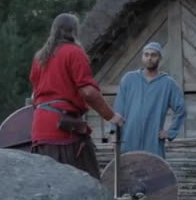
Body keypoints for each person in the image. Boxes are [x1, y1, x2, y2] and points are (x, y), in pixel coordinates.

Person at [30, 13, 124, 180]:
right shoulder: (74, 53)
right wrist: (112, 116)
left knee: (48, 187)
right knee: (88, 184)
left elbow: (34, 95)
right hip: (63, 131)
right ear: (74, 31)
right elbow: (88, 91)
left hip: (40, 131)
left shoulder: (40, 58)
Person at [112, 42, 186, 158]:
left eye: (153, 55)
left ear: (160, 58)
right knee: (128, 172)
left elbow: (181, 109)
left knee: (154, 172)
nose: (149, 58)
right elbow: (118, 109)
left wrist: (170, 132)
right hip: (129, 138)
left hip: (153, 141)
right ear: (142, 57)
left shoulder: (168, 83)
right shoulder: (129, 79)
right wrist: (114, 134)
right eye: (146, 55)